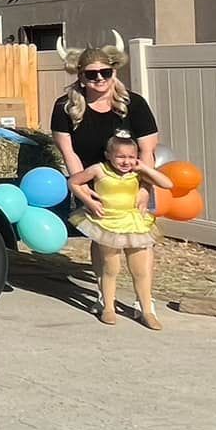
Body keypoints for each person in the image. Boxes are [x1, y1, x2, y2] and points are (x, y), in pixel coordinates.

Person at [66, 134, 174, 330]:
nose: (126, 162)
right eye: (121, 157)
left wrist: (144, 168)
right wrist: (89, 200)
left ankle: (146, 310)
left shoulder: (137, 172)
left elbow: (168, 184)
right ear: (108, 155)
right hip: (108, 224)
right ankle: (108, 306)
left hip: (134, 223)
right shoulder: (99, 170)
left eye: (131, 157)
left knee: (140, 270)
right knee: (110, 267)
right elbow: (74, 181)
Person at [50, 33, 159, 174]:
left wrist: (143, 190)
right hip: (86, 184)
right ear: (81, 77)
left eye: (105, 72)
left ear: (114, 73)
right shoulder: (64, 106)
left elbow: (147, 151)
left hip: (130, 186)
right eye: (91, 74)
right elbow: (68, 154)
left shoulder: (135, 104)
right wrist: (82, 189)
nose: (99, 78)